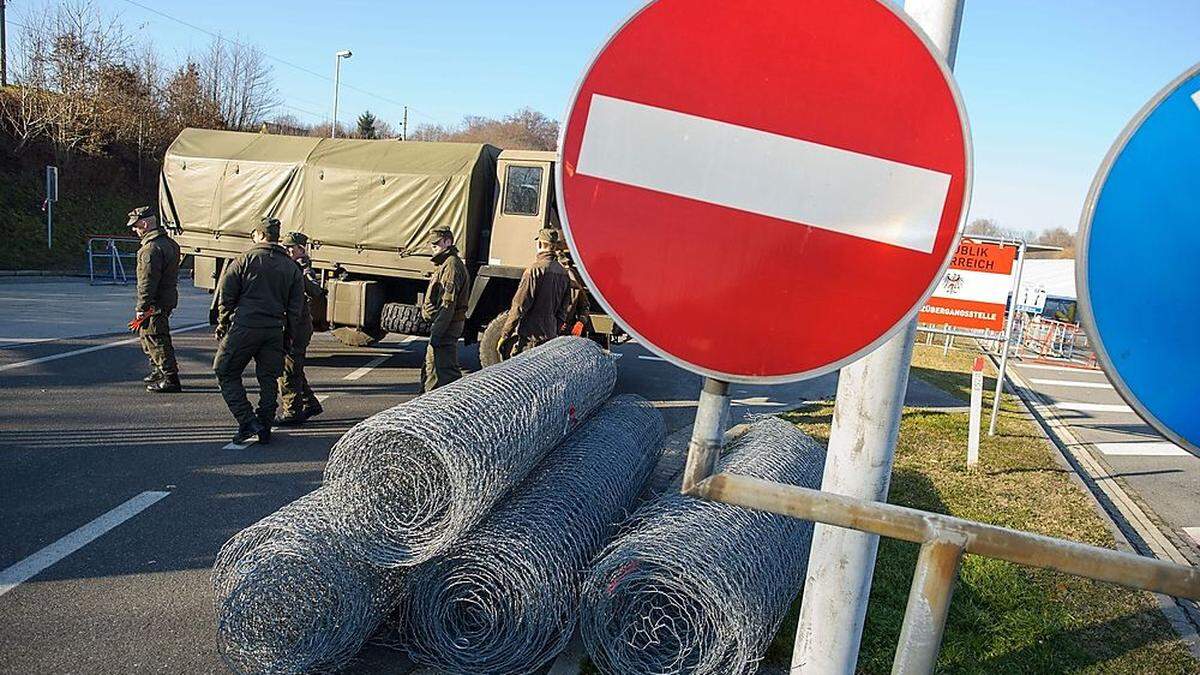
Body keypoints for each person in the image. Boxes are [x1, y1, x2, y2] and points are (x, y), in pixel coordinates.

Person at [213, 217, 305, 445]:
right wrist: (289, 336)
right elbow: (296, 309)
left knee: (225, 371)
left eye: (254, 233)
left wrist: (224, 323)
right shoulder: (291, 267)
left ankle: (247, 420)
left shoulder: (244, 260)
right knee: (268, 378)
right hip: (275, 329)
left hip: (244, 327)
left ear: (261, 235)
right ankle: (264, 425)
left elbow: (227, 296)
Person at [127, 206, 182, 393]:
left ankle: (170, 377)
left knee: (156, 337)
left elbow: (147, 281)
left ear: (144, 223)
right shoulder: (170, 244)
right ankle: (158, 370)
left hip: (155, 302)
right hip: (166, 297)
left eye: (136, 226)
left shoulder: (150, 249)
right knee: (147, 335)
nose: (134, 230)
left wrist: (142, 306)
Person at [275, 231, 327, 426]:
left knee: (289, 369)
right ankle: (310, 403)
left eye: (292, 247)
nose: (288, 250)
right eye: (286, 247)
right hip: (293, 323)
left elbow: (316, 291)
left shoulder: (303, 268)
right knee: (293, 367)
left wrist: (303, 272)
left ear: (301, 249)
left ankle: (292, 411)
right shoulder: (292, 265)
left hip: (298, 326)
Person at [500, 228, 573, 357]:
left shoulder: (533, 270)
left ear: (540, 244)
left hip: (531, 338)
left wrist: (505, 334)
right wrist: (554, 329)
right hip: (550, 336)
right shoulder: (563, 273)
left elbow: (519, 306)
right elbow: (564, 309)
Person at [420, 227, 469, 392]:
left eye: (437, 243)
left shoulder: (451, 266)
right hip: (445, 324)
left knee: (446, 373)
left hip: (447, 325)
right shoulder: (446, 263)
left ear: (448, 242)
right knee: (432, 368)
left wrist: (437, 333)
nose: (433, 247)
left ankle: (450, 407)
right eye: (432, 244)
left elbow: (448, 304)